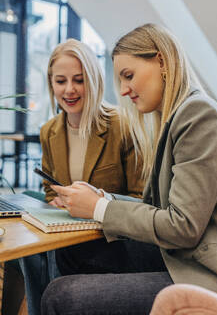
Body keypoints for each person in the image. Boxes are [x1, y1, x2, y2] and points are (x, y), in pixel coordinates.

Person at [41, 23, 217, 315]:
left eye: (128, 76)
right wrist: (102, 198)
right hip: (176, 254)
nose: (123, 91)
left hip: (197, 269)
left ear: (161, 61)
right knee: (72, 252)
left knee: (59, 296)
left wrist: (100, 208)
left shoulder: (197, 115)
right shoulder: (175, 117)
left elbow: (182, 226)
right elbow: (154, 208)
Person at [19, 38, 144, 315]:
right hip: (68, 234)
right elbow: (51, 189)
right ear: (51, 83)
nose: (70, 90)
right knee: (30, 250)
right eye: (60, 81)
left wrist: (97, 203)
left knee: (51, 254)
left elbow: (142, 199)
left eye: (79, 79)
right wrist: (56, 201)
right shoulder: (49, 131)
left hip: (112, 239)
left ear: (94, 80)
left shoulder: (122, 126)